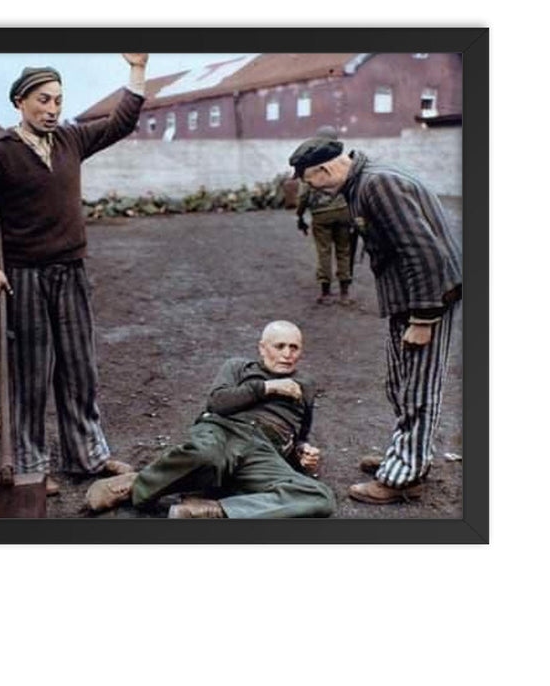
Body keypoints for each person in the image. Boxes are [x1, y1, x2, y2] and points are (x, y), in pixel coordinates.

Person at [0, 54, 149, 495]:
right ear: (20, 102)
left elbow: (121, 123)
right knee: (32, 375)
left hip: (71, 271)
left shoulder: (70, 140)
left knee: (79, 368)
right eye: (43, 100)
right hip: (25, 277)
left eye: (58, 100)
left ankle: (87, 455)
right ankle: (31, 467)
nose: (52, 109)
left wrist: (136, 71)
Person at [289, 135, 461, 504]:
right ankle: (406, 457)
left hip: (428, 298)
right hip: (409, 297)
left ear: (324, 169)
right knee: (400, 383)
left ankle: (404, 477)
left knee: (418, 390)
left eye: (308, 179)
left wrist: (424, 318)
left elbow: (423, 251)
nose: (308, 186)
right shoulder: (363, 180)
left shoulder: (377, 184)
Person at [86, 321, 336, 519]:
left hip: (263, 452)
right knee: (209, 457)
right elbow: (218, 403)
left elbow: (300, 433)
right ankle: (135, 485)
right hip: (224, 431)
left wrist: (304, 452)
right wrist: (268, 387)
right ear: (262, 348)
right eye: (279, 346)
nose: (287, 354)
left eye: (294, 347)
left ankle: (213, 510)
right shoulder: (238, 367)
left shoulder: (306, 385)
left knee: (320, 497)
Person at [292, 126, 353, 304]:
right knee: (344, 252)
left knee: (324, 252)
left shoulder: (312, 160)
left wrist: (300, 215)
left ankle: (326, 293)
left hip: (320, 215)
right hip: (343, 212)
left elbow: (303, 194)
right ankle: (344, 294)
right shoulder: (344, 161)